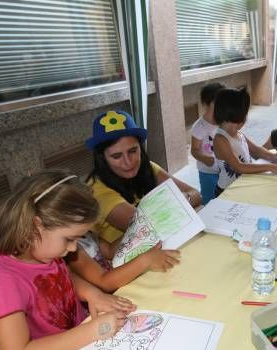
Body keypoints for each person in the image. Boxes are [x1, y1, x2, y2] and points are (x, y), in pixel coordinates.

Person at [0, 170, 136, 350]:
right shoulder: (1, 284)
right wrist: (94, 330)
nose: (73, 249)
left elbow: (61, 274)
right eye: (69, 239)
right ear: (37, 225)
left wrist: (92, 293)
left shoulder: (40, 249)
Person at [85, 110, 200, 260]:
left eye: (133, 151)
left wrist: (186, 199)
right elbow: (148, 227)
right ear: (102, 158)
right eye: (116, 156)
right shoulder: (96, 190)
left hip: (161, 248)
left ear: (141, 147)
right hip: (128, 265)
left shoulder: (148, 167)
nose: (128, 162)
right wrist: (180, 204)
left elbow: (196, 194)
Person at [212, 87, 277, 196]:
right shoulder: (220, 139)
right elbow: (239, 167)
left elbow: (256, 150)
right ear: (236, 115)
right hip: (227, 191)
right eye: (245, 115)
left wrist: (273, 157)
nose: (246, 118)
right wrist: (271, 167)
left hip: (242, 184)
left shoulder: (238, 133)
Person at [190, 82, 225, 204]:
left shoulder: (222, 122)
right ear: (207, 103)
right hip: (207, 173)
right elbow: (194, 150)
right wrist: (203, 158)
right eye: (218, 102)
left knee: (223, 198)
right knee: (209, 200)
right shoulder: (199, 127)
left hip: (223, 170)